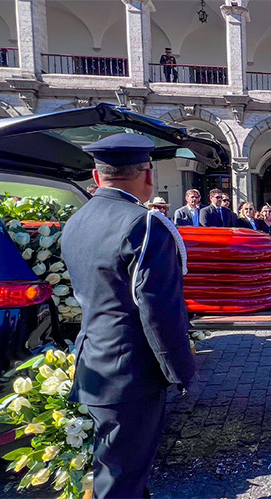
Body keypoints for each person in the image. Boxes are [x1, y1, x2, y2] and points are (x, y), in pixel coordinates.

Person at [63, 134, 195, 497]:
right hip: (132, 371)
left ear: (96, 174)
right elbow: (158, 311)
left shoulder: (76, 221)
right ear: (148, 175)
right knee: (121, 480)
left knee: (120, 469)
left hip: (94, 364)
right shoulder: (144, 225)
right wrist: (180, 369)